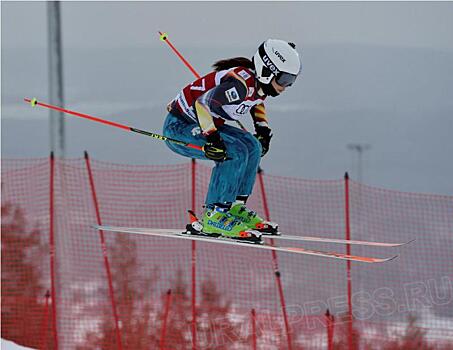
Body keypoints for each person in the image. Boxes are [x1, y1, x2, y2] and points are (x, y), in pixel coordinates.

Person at [163, 39, 301, 242]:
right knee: (233, 152)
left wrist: (262, 129)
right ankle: (214, 214)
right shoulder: (240, 85)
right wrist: (213, 139)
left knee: (252, 146)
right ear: (267, 71)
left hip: (204, 124)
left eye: (291, 81)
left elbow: (257, 102)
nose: (286, 86)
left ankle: (234, 207)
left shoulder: (256, 85)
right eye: (284, 79)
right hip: (179, 127)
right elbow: (202, 104)